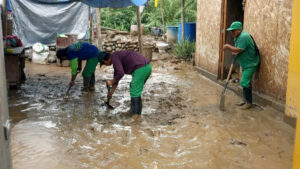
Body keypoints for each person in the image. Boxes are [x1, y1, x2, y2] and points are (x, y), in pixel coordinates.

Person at [99, 50, 152, 118]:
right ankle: (133, 111)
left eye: (103, 64)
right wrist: (111, 93)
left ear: (104, 60)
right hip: (145, 67)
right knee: (135, 89)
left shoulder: (114, 57)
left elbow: (121, 73)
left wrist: (111, 81)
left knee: (135, 91)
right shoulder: (115, 58)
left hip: (141, 68)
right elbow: (116, 78)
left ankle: (136, 117)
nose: (105, 65)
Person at [223, 21, 260, 109]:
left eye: (233, 31)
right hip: (245, 63)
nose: (232, 33)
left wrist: (228, 46)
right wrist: (234, 52)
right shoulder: (237, 36)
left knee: (244, 82)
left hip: (251, 63)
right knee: (245, 82)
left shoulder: (244, 36)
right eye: (231, 31)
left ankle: (249, 103)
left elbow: (239, 49)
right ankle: (245, 100)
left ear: (239, 30)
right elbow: (239, 48)